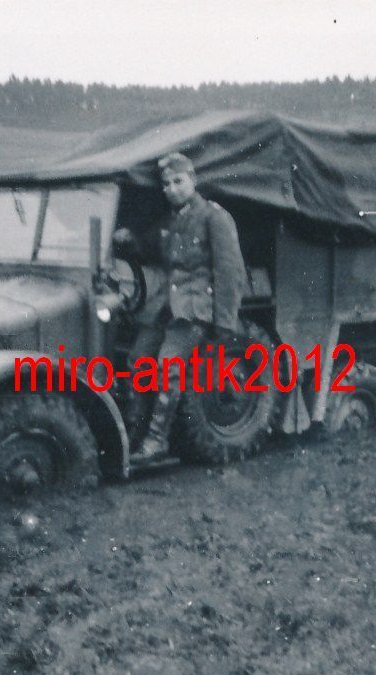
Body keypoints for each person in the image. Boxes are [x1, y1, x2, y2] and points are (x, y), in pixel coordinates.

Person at [116, 152, 247, 466]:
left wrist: (225, 324)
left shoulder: (213, 217)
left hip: (194, 308)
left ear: (193, 180)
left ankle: (156, 440)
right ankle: (134, 432)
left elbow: (230, 272)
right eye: (166, 184)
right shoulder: (173, 219)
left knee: (168, 365)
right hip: (165, 307)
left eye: (178, 181)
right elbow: (152, 247)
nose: (172, 188)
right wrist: (129, 239)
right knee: (138, 359)